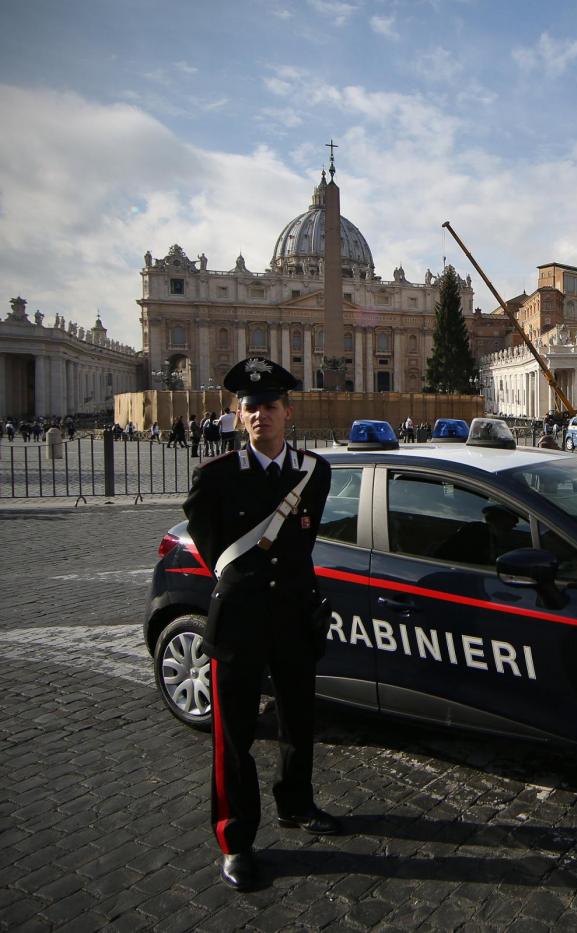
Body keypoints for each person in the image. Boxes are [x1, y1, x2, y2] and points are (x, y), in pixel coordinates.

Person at [182, 356, 336, 892]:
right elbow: (213, 553)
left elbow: (303, 546)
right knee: (234, 736)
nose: (260, 415)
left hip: (294, 614)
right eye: (251, 407)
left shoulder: (314, 472)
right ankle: (236, 839)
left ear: (287, 412)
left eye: (270, 406)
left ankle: (297, 804)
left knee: (298, 722)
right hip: (241, 620)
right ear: (238, 414)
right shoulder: (216, 478)